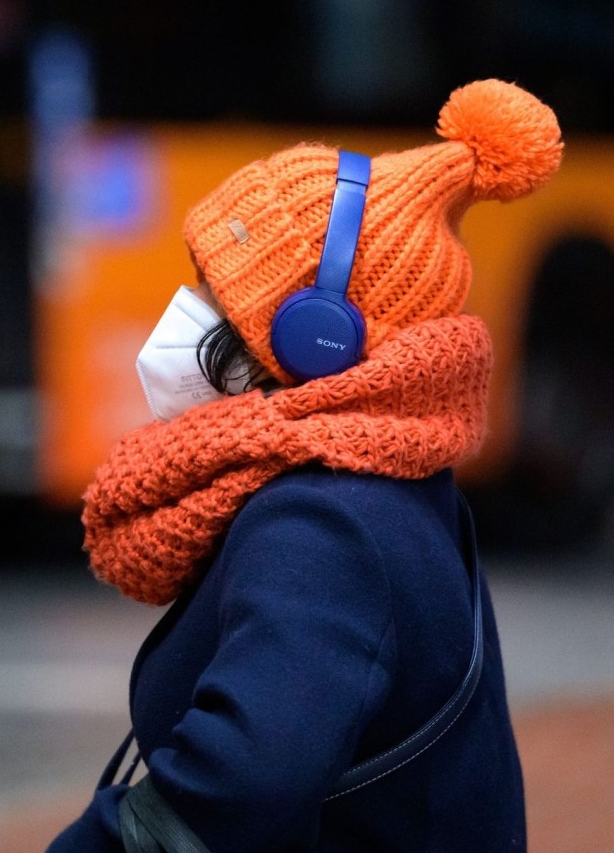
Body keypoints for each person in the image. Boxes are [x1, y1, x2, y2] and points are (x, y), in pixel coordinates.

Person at [46, 78, 563, 852]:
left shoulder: (325, 525)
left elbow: (236, 788)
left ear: (314, 339)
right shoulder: (389, 482)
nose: (186, 309)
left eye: (214, 294)